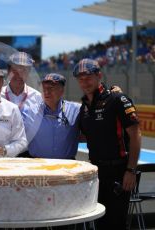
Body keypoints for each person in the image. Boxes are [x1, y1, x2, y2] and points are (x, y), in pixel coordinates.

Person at [73, 58, 141, 229]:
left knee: (116, 223)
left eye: (88, 77)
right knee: (100, 223)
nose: (84, 82)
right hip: (96, 173)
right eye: (80, 78)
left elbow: (136, 134)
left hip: (120, 172)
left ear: (99, 76)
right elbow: (86, 136)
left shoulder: (117, 99)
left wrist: (131, 170)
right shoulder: (84, 108)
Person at [27, 73, 81, 159]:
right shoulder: (29, 112)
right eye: (43, 88)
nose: (46, 92)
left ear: (61, 90)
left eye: (51, 88)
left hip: (67, 166)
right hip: (38, 165)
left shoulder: (76, 110)